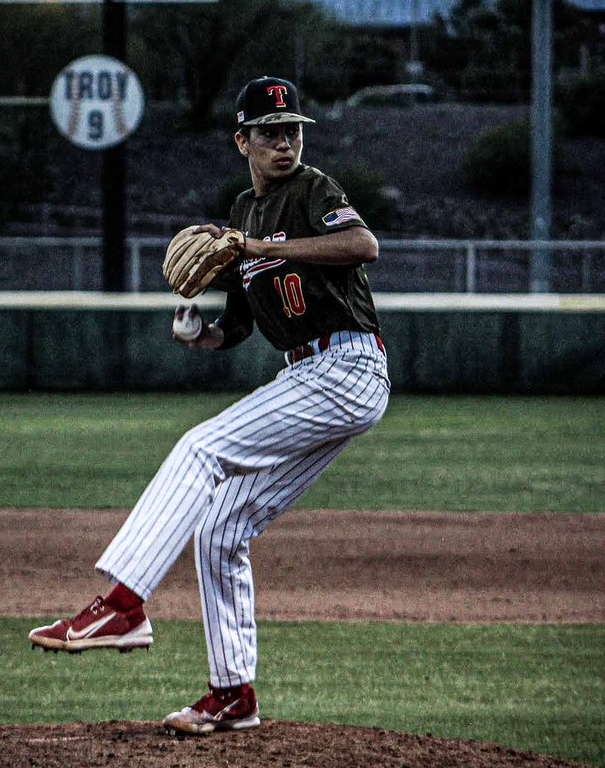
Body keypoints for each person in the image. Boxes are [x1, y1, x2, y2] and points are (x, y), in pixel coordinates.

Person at [30, 76, 391, 734]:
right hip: (311, 373)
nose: (284, 141)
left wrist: (264, 248)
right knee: (222, 528)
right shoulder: (242, 215)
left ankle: (122, 603)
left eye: (292, 131)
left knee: (200, 447)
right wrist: (207, 337)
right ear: (242, 141)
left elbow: (362, 246)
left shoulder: (312, 189)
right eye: (269, 132)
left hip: (346, 364)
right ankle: (232, 695)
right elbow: (243, 321)